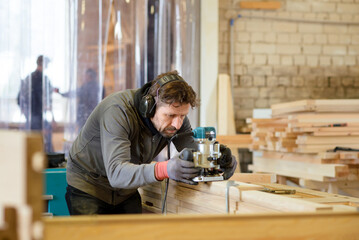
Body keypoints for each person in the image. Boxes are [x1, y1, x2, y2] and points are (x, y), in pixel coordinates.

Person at [65, 70, 237, 215]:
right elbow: (117, 173)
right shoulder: (118, 111)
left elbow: (190, 148)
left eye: (182, 116)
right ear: (150, 106)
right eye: (170, 116)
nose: (177, 124)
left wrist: (217, 158)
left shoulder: (175, 117)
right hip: (89, 184)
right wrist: (165, 168)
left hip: (125, 191)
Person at [17, 55, 59, 152]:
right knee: (44, 141)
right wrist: (53, 118)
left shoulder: (29, 78)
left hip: (32, 116)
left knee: (35, 142)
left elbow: (19, 98)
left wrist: (25, 113)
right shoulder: (44, 79)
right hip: (37, 116)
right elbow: (48, 101)